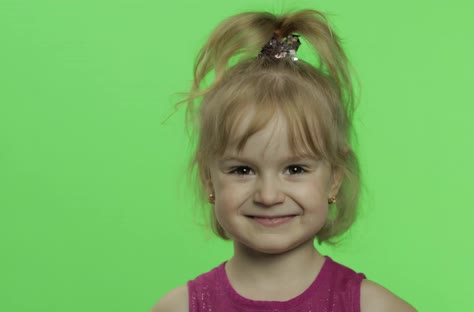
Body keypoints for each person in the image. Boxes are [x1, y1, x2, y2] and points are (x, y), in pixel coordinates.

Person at [152, 9, 416, 312]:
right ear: (208, 178)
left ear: (335, 178)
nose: (268, 196)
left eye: (295, 169)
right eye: (243, 169)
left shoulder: (376, 308)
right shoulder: (179, 308)